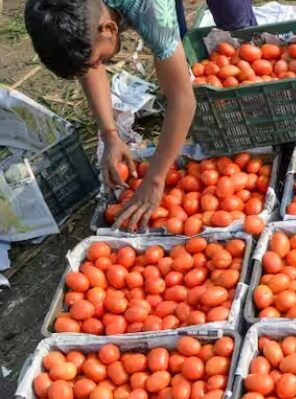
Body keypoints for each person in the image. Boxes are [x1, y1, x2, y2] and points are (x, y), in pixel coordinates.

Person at [24, 0, 256, 230]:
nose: (96, 65)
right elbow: (86, 61)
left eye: (98, 60)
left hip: (150, 11)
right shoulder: (56, 10)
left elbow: (182, 101)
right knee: (174, 48)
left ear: (110, 28)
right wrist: (109, 134)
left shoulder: (151, 13)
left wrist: (155, 179)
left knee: (237, 29)